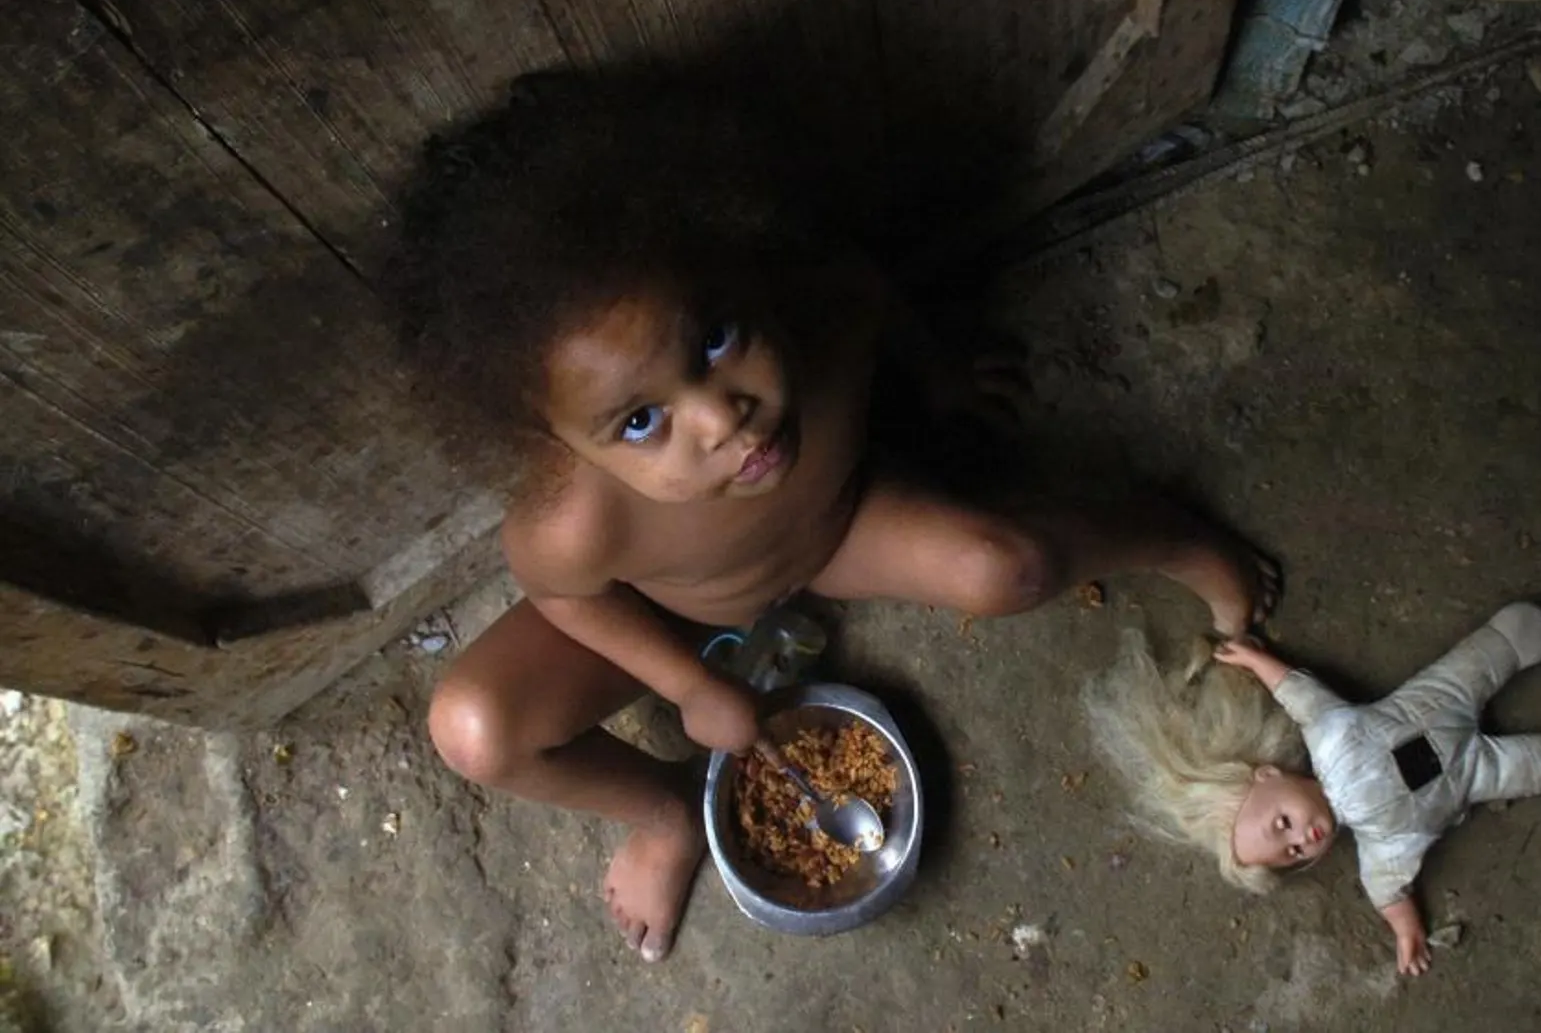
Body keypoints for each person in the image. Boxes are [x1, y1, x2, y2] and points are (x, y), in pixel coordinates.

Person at [385, 68, 1278, 963]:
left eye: (715, 339)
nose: (722, 416)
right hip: (679, 610)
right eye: (641, 421)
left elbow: (875, 300)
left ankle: (1173, 532)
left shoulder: (824, 314)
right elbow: (567, 600)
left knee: (1009, 567)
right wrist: (687, 684)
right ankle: (668, 811)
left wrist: (940, 379)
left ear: (731, 261)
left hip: (835, 530)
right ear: (557, 443)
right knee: (474, 729)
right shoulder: (574, 521)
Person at [1088, 603, 1541, 976]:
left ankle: (1506, 644)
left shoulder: (1330, 738)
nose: (1302, 838)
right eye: (1295, 852)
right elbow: (1388, 893)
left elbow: (1296, 693)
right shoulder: (1380, 844)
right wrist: (1407, 932)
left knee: (1468, 669)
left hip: (1432, 702)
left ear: (1268, 775)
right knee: (1526, 768)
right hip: (1477, 774)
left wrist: (1255, 659)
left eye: (1283, 825)